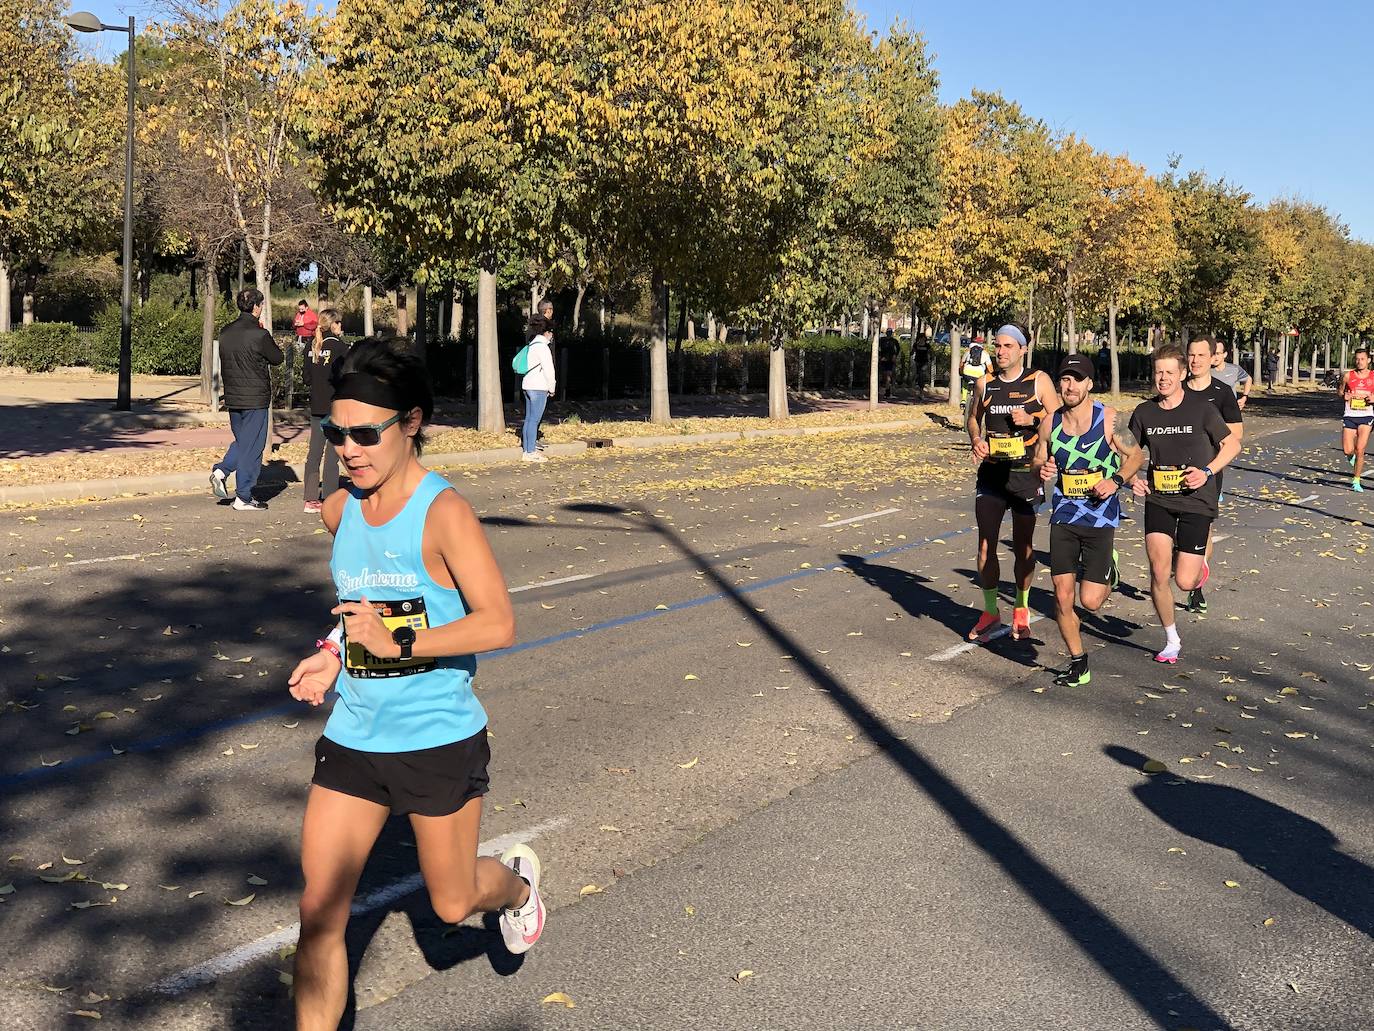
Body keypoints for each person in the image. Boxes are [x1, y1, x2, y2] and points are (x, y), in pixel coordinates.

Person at [286, 338, 545, 1030]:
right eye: (335, 432)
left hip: (437, 737)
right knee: (318, 910)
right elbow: (357, 608)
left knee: (454, 903)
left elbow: (498, 623)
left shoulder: (443, 513)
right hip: (356, 735)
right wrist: (333, 651)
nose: (348, 448)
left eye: (365, 433)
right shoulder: (341, 512)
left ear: (412, 423)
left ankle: (517, 887)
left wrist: (398, 640)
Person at [1120, 344, 1240, 664]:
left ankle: (1194, 564)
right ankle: (1171, 639)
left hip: (1196, 499)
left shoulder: (1201, 409)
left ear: (1182, 374)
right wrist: (1133, 480)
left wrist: (1206, 472)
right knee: (1159, 572)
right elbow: (1128, 453)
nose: (1163, 378)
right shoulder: (1144, 412)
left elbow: (1232, 445)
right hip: (1159, 498)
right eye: (1158, 372)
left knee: (1185, 580)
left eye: (1169, 372)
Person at [1032, 354, 1127, 686]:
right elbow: (1038, 460)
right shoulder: (1050, 422)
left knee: (1090, 601)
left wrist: (1115, 481)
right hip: (1064, 516)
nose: (1069, 386)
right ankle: (1078, 662)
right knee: (1062, 595)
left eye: (1076, 379)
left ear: (1090, 383)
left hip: (1100, 517)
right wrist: (1041, 470)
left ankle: (1109, 571)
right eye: (1065, 379)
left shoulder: (1109, 419)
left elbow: (1136, 456)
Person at [966, 323, 1059, 642]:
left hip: (1025, 474)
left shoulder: (1038, 381)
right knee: (984, 545)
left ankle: (1021, 607)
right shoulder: (984, 383)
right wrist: (976, 439)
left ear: (1022, 349)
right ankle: (991, 611)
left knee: (1023, 547)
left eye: (1007, 346)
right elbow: (972, 418)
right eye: (997, 345)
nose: (1001, 351)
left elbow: (1061, 421)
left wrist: (1033, 419)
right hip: (992, 475)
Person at [1184, 336, 1243, 613]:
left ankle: (1196, 586)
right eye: (1191, 355)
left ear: (1212, 358)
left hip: (1207, 473)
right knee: (1174, 530)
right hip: (1171, 473)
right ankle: (1187, 563)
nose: (1195, 360)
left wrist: (1210, 468)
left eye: (1201, 355)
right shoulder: (1176, 388)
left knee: (1201, 527)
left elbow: (1236, 438)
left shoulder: (1222, 393)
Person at [210, 288, 283, 512]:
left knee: (243, 442)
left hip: (233, 397)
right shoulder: (260, 335)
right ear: (256, 307)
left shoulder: (225, 332)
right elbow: (277, 358)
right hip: (256, 398)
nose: (261, 309)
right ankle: (243, 496)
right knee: (253, 447)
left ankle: (222, 471)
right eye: (260, 305)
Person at [303, 308, 348, 513]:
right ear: (333, 324)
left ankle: (310, 498)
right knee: (332, 453)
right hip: (335, 407)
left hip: (316, 406)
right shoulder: (340, 348)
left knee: (314, 452)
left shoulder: (311, 347)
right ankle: (330, 497)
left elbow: (306, 379)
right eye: (340, 323)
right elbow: (346, 377)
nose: (342, 327)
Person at [521, 314, 555, 463]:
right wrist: (552, 387)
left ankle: (527, 449)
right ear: (547, 332)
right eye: (551, 333)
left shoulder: (532, 345)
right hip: (539, 387)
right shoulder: (543, 348)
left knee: (528, 419)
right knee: (534, 420)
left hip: (527, 385)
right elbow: (549, 370)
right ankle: (530, 452)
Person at [1340, 346, 1374, 492]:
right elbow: (1340, 391)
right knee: (1348, 450)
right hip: (1350, 415)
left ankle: (1356, 480)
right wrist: (1344, 395)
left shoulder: (1373, 376)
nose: (1359, 362)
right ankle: (1351, 457)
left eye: (1362, 359)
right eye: (1357, 359)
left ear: (1369, 360)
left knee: (1360, 449)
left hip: (1366, 416)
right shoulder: (1348, 376)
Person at [289, 300, 320, 409]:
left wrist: (304, 324)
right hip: (299, 336)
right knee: (297, 356)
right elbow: (293, 324)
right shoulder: (298, 314)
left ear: (306, 307)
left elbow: (314, 325)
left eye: (302, 309)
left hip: (308, 338)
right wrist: (296, 324)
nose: (300, 311)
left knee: (306, 357)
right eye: (299, 309)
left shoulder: (312, 315)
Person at [1211, 339, 1252, 410]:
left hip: (1230, 410)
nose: (1215, 357)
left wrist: (1244, 397)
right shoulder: (1205, 370)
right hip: (1211, 411)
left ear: (1225, 354)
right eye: (1213, 354)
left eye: (1218, 353)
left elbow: (1248, 379)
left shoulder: (1234, 369)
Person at [960, 335, 994, 412]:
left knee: (965, 382)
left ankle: (963, 400)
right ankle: (979, 402)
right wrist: (991, 375)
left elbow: (962, 363)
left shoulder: (968, 351)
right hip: (979, 374)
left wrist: (961, 372)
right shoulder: (985, 353)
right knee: (980, 386)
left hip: (967, 372)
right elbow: (990, 367)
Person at [878, 330, 899, 399]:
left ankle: (888, 392)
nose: (889, 334)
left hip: (890, 360)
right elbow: (878, 348)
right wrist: (880, 356)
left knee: (889, 375)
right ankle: (882, 389)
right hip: (883, 359)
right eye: (888, 333)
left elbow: (897, 349)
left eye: (890, 333)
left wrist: (895, 356)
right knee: (883, 375)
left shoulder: (894, 341)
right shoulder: (882, 340)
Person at [913, 333, 932, 397]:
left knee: (922, 374)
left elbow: (930, 352)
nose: (922, 339)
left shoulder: (927, 345)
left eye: (923, 338)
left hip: (924, 362)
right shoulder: (916, 345)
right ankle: (919, 388)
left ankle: (921, 391)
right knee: (918, 375)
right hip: (917, 361)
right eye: (921, 338)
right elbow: (912, 351)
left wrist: (930, 358)